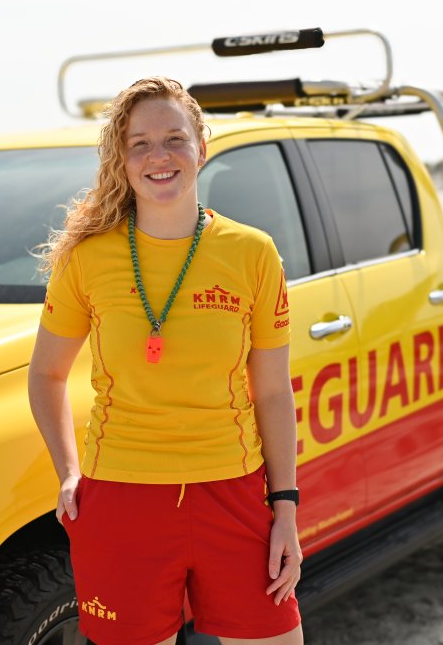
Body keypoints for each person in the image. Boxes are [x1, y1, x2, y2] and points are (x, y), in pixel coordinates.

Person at [28, 76, 303, 645]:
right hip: (121, 499)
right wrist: (68, 472)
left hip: (233, 492)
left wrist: (286, 509)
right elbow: (47, 374)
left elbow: (273, 391)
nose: (160, 156)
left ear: (202, 145)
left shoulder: (252, 252)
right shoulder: (88, 258)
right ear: (123, 161)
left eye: (175, 139)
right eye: (140, 144)